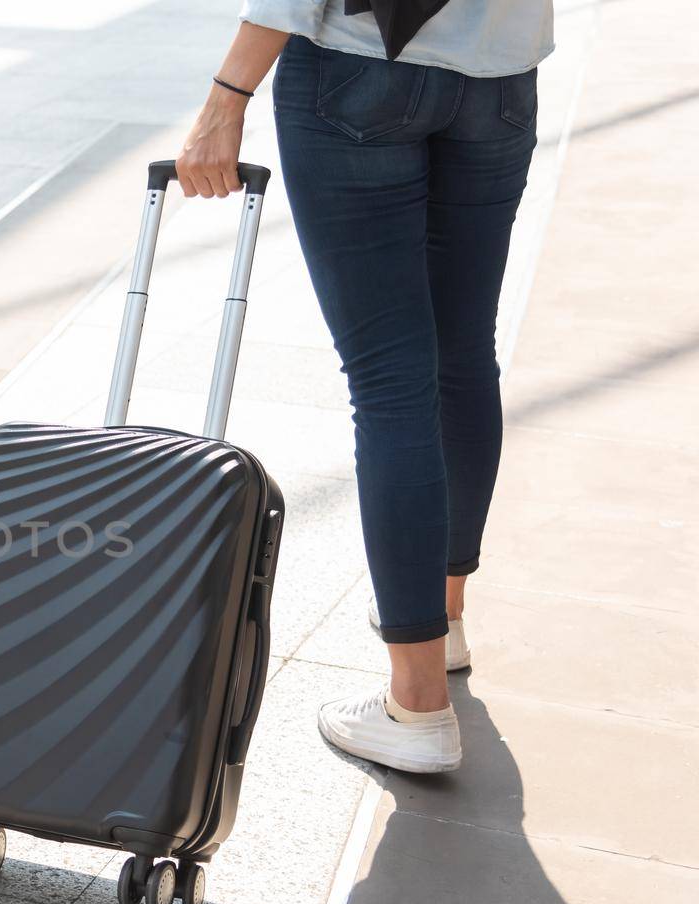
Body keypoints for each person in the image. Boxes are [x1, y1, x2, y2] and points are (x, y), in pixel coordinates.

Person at [175, 0, 554, 773]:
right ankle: (442, 626)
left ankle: (415, 707)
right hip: (501, 80)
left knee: (390, 382)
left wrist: (227, 95)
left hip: (359, 74)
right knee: (461, 357)